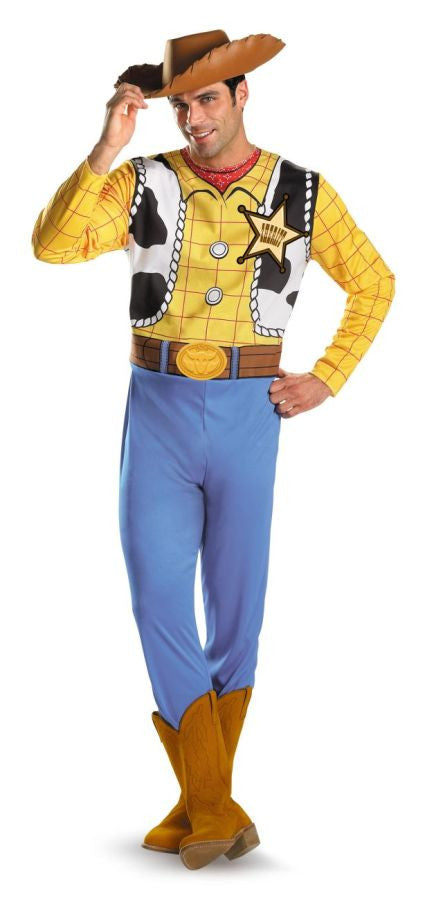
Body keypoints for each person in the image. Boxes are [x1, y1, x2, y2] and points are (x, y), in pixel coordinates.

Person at [31, 29, 396, 870]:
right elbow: (51, 246)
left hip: (248, 410)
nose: (192, 117)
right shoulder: (141, 181)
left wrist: (328, 377)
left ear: (240, 96)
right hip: (156, 404)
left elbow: (374, 283)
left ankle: (201, 805)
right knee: (157, 598)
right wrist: (106, 146)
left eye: (205, 99)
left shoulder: (302, 190)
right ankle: (214, 806)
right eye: (180, 104)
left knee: (237, 607)